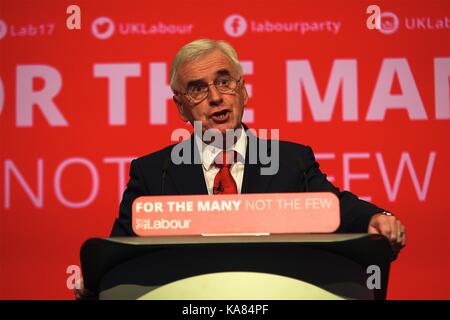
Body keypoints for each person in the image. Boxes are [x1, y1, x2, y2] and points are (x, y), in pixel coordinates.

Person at [110, 38, 406, 251]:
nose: (215, 97)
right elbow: (118, 251)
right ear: (181, 108)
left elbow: (333, 208)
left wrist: (377, 218)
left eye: (224, 82)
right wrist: (96, 281)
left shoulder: (291, 161)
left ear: (243, 91)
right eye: (197, 89)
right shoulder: (153, 173)